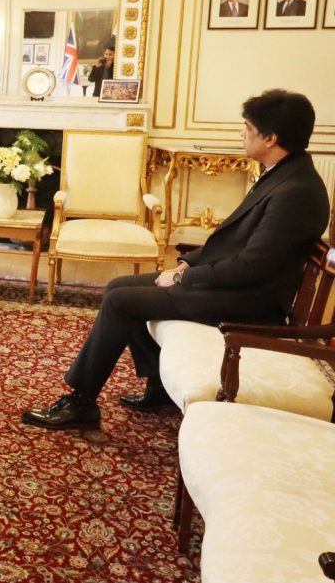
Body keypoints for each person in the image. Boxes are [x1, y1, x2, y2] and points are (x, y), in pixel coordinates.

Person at [21, 89, 330, 430]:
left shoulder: (297, 192)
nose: (241, 133)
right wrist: (188, 263)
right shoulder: (284, 174)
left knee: (123, 302)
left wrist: (184, 278)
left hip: (249, 302)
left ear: (270, 138)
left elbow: (251, 266)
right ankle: (158, 386)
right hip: (237, 287)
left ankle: (81, 402)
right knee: (118, 287)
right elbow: (235, 241)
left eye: (247, 127)